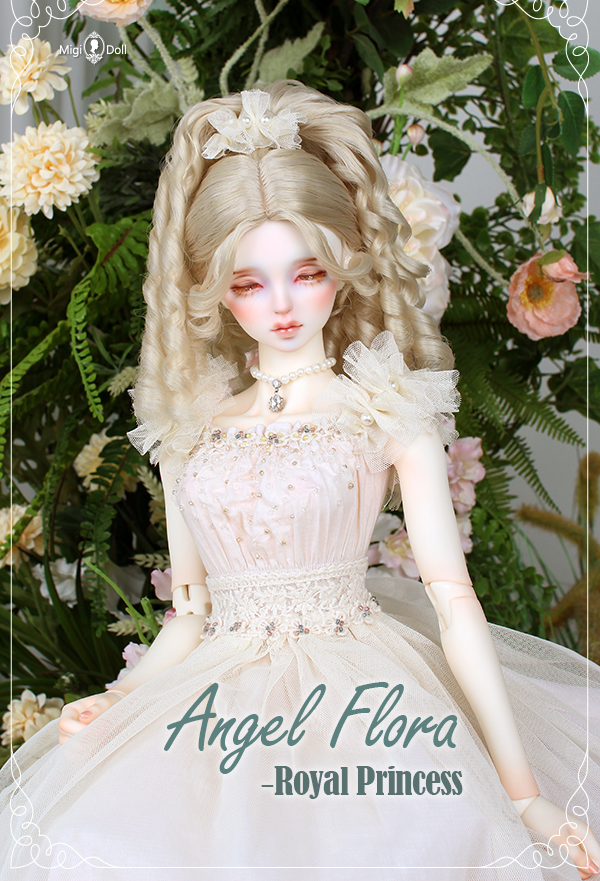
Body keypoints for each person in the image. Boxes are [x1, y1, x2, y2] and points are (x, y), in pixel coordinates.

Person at [0, 81, 598, 881]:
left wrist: (523, 796)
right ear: (213, 289)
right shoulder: (191, 427)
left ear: (343, 267)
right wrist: (123, 700)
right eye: (249, 283)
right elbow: (190, 612)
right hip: (214, 706)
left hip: (366, 696)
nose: (281, 305)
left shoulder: (386, 409)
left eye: (306, 273)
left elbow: (455, 602)